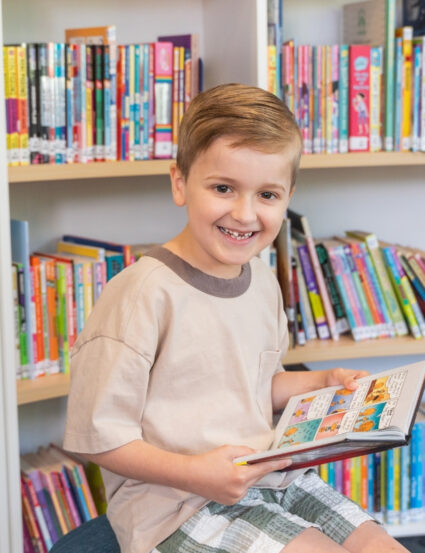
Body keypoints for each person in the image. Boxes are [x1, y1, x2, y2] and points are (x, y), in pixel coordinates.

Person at [63, 83, 408, 553]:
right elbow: (95, 437)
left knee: (381, 547)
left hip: (269, 475)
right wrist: (197, 473)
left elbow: (251, 385)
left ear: (287, 197)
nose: (245, 214)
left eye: (267, 194)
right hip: (176, 505)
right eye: (223, 188)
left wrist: (322, 381)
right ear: (180, 182)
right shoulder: (141, 295)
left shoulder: (262, 282)